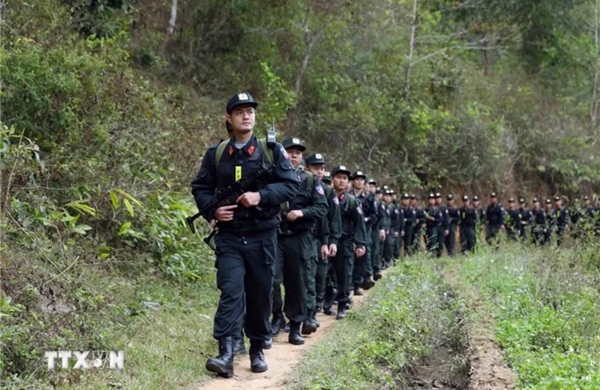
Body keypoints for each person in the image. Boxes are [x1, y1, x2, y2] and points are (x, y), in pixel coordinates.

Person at [191, 92, 299, 377]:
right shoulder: (216, 153)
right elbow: (200, 188)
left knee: (260, 294)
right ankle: (226, 352)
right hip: (229, 236)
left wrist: (261, 195)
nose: (246, 115)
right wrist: (211, 213)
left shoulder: (271, 151)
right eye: (239, 112)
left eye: (250, 110)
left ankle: (256, 348)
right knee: (230, 290)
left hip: (262, 235)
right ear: (229, 118)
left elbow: (290, 186)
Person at [271, 138, 328, 345]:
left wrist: (302, 212)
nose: (294, 155)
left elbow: (322, 208)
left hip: (300, 237)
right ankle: (276, 317)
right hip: (276, 236)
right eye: (290, 152)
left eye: (298, 152)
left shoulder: (311, 180)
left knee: (297, 282)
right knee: (271, 279)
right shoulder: (273, 176)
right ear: (282, 154)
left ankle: (295, 326)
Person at [328, 165, 367, 320]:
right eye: (339, 177)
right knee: (324, 274)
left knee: (344, 273)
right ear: (332, 180)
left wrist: (360, 243)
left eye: (345, 178)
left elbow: (359, 224)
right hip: (326, 240)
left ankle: (342, 304)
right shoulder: (326, 196)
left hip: (345, 242)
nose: (342, 181)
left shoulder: (352, 202)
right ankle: (327, 300)